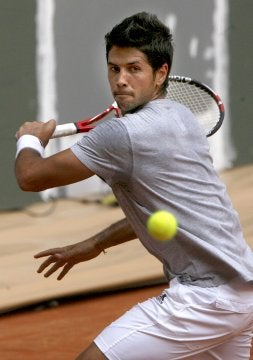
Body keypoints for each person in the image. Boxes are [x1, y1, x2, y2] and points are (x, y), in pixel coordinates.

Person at [15, 11, 253, 360]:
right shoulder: (182, 116)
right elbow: (170, 211)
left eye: (134, 69)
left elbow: (31, 177)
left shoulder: (120, 134)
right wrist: (95, 243)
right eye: (114, 68)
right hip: (243, 293)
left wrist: (29, 141)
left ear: (162, 73)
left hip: (205, 299)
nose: (121, 80)